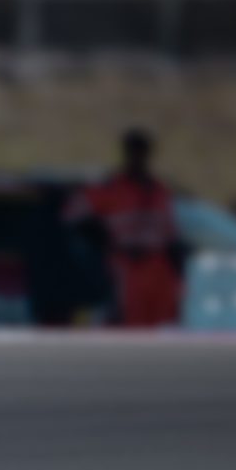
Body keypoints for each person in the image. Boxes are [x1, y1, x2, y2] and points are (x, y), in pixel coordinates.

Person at [67, 127, 191, 328]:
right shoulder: (111, 188)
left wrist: (178, 268)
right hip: (127, 266)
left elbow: (170, 233)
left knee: (162, 326)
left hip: (159, 267)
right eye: (134, 151)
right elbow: (72, 213)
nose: (138, 157)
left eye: (142, 151)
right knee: (131, 326)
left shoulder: (159, 190)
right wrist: (101, 238)